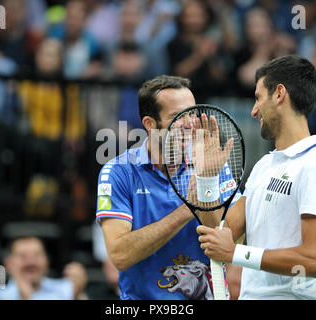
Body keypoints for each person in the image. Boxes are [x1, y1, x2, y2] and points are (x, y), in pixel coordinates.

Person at [197, 55, 316, 300]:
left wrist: (237, 254)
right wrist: (208, 179)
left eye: (257, 98)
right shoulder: (265, 165)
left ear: (279, 94)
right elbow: (221, 232)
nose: (254, 111)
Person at [96, 75, 240, 300]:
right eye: (177, 116)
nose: (190, 123)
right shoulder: (118, 172)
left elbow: (229, 240)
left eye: (192, 113)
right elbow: (120, 254)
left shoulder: (212, 164)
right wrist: (187, 208)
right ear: (150, 124)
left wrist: (207, 183)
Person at [0, 236, 87, 300]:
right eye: (22, 256)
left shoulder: (66, 289)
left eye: (37, 255)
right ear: (8, 264)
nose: (31, 262)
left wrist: (77, 296)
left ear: (47, 261)